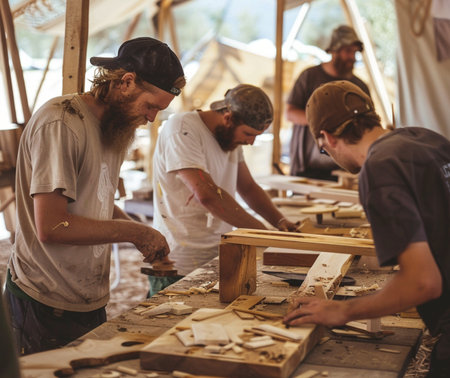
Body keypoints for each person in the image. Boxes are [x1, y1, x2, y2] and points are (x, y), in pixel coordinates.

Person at [4, 37, 186, 355]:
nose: (152, 118)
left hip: (89, 299)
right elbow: (52, 226)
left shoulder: (115, 127)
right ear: (126, 82)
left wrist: (143, 235)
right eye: (151, 106)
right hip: (45, 301)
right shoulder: (62, 123)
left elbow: (96, 203)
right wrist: (135, 231)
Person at [283, 80, 450, 377]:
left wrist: (342, 311)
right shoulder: (424, 138)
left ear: (327, 137)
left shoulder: (380, 168)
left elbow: (423, 282)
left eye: (323, 150)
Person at [151, 84, 298, 294]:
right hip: (179, 260)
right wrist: (266, 236)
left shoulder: (230, 139)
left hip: (219, 252)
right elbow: (207, 195)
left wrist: (280, 221)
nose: (251, 141)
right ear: (228, 118)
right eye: (248, 133)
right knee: (167, 322)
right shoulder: (182, 128)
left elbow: (247, 187)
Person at [286, 25, 371, 180]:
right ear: (334, 51)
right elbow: (290, 112)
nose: (352, 57)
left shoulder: (360, 87)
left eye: (354, 52)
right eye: (347, 51)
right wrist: (322, 122)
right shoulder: (309, 77)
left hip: (346, 169)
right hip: (308, 167)